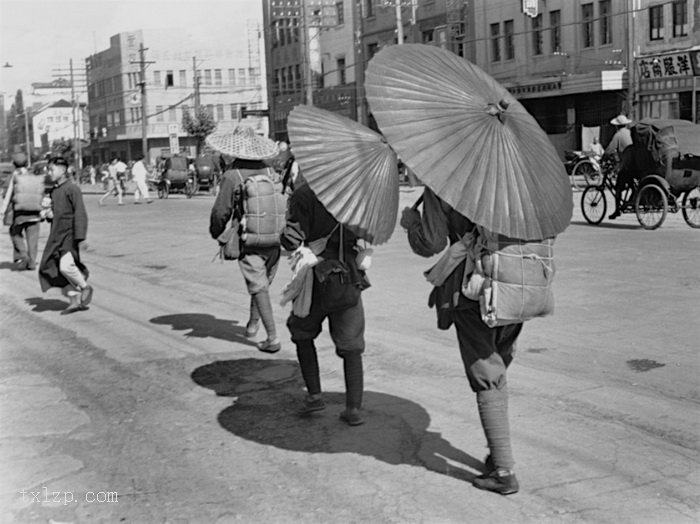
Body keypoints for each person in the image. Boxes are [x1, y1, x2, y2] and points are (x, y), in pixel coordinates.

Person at [400, 187, 522, 495]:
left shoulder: (446, 177)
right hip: (517, 283)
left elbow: (430, 243)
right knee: (498, 369)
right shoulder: (511, 176)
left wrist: (411, 223)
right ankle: (498, 453)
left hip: (475, 288)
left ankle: (504, 472)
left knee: (487, 374)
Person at [280, 179, 371, 426]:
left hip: (315, 275)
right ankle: (354, 408)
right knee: (352, 344)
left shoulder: (304, 195)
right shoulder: (356, 191)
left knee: (301, 332)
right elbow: (368, 233)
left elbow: (291, 240)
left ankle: (314, 396)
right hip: (349, 277)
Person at [210, 156, 282, 354]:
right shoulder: (270, 171)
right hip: (275, 237)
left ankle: (272, 337)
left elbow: (220, 210)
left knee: (258, 285)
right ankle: (252, 324)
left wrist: (217, 232)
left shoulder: (232, 175)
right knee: (262, 284)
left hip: (248, 238)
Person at [38, 156, 93, 314]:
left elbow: (80, 213)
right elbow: (57, 212)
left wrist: (81, 238)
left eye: (52, 169)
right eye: (48, 170)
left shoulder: (72, 188)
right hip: (56, 234)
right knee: (53, 267)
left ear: (62, 171)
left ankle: (85, 287)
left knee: (66, 266)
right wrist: (48, 214)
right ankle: (74, 301)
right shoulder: (54, 190)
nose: (49, 173)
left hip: (69, 234)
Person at [0, 153, 45, 270]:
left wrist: (2, 211)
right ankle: (31, 263)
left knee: (15, 233)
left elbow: (7, 194)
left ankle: (23, 255)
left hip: (19, 214)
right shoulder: (33, 175)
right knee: (33, 238)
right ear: (26, 163)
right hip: (35, 212)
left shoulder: (13, 177)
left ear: (14, 164)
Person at [604, 115, 634, 219]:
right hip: (635, 164)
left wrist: (603, 158)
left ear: (617, 126)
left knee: (618, 188)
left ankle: (617, 210)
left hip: (626, 165)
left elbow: (610, 149)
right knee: (631, 184)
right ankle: (631, 199)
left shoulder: (618, 135)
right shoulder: (630, 132)